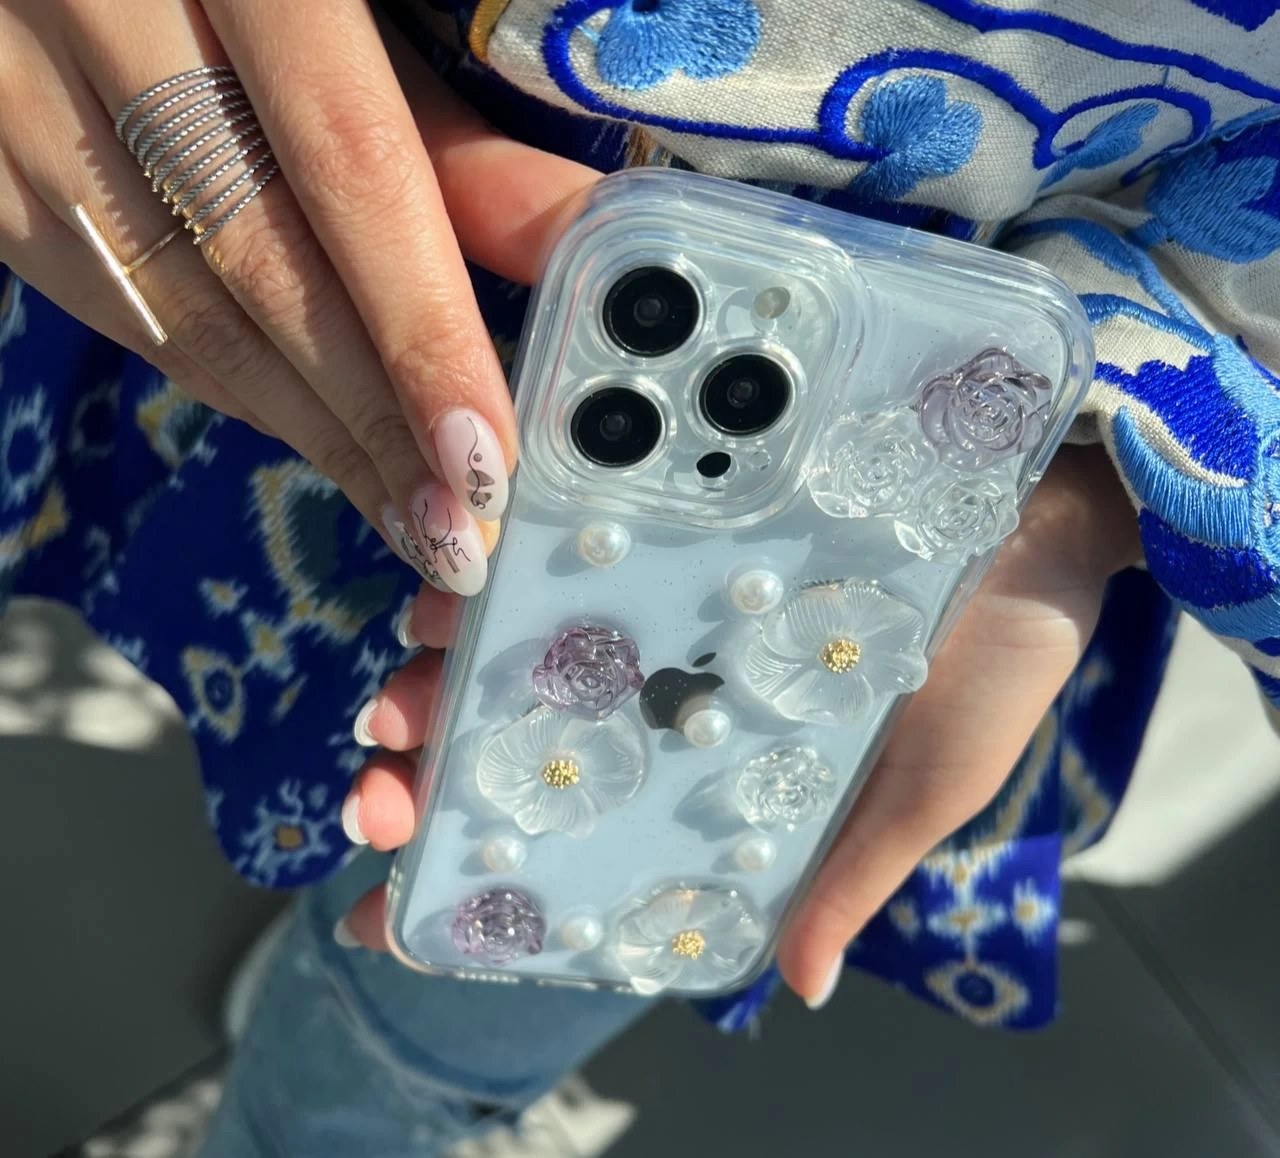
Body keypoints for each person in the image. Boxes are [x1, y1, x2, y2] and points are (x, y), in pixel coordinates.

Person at [2, 0, 1278, 1152]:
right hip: (299, 139)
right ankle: (367, 1077)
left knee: (490, 941)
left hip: (937, 410)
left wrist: (1109, 455)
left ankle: (358, 1083)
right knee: (484, 909)